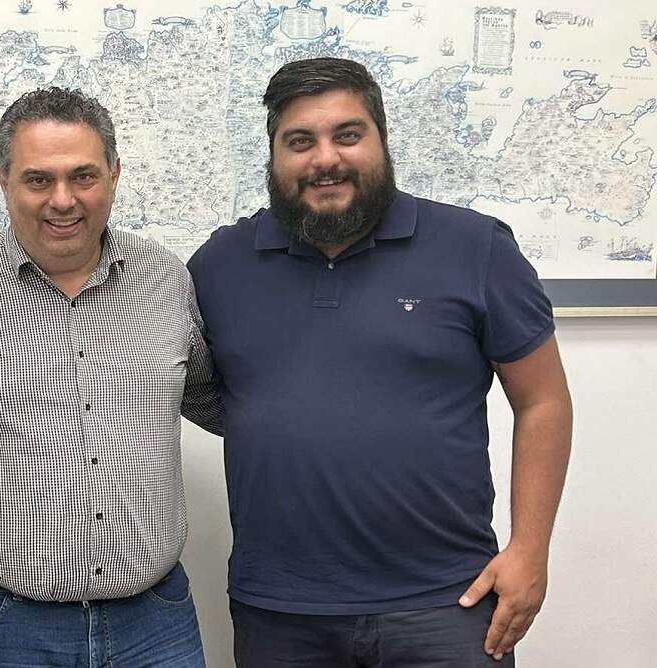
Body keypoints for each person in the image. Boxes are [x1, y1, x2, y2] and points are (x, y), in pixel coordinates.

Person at [188, 57, 573, 667]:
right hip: (280, 611)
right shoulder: (219, 265)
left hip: (448, 603)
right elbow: (201, 387)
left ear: (382, 139)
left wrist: (530, 550)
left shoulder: (476, 248)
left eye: (347, 134)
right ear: (273, 155)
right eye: (299, 141)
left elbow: (542, 400)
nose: (325, 159)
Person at [0, 86, 222, 667]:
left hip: (156, 622)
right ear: (3, 180)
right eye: (38, 179)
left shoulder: (166, 279)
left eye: (83, 176)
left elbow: (209, 397)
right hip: (1, 626)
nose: (63, 200)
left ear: (114, 175)